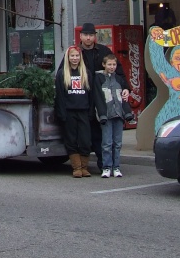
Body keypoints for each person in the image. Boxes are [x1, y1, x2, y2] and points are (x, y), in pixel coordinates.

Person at [77, 23, 130, 171]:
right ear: (80, 36)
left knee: (105, 132)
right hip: (84, 97)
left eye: (91, 35)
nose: (88, 38)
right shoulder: (75, 52)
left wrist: (125, 88)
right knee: (90, 131)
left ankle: (106, 164)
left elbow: (118, 71)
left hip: (105, 98)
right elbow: (65, 73)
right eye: (86, 35)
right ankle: (87, 163)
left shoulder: (104, 51)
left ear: (95, 36)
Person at [55, 46, 99, 178]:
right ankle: (77, 168)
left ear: (80, 58)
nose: (74, 59)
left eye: (77, 56)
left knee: (85, 140)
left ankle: (85, 167)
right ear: (67, 58)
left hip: (84, 111)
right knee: (71, 140)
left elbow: (92, 96)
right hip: (69, 112)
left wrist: (91, 112)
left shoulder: (87, 73)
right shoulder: (62, 73)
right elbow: (60, 95)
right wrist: (61, 113)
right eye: (72, 56)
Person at [94, 54, 128, 177]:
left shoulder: (119, 78)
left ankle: (116, 167)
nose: (112, 67)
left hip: (118, 114)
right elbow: (97, 97)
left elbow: (124, 93)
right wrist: (101, 113)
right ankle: (106, 167)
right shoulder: (99, 78)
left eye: (114, 64)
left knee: (117, 143)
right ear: (104, 65)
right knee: (107, 143)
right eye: (109, 64)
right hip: (106, 115)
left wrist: (126, 112)